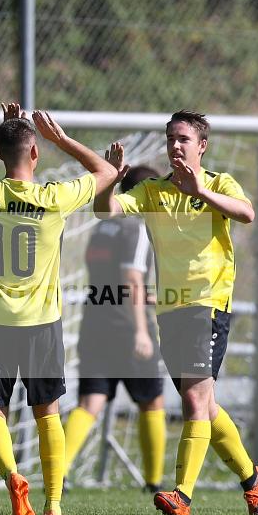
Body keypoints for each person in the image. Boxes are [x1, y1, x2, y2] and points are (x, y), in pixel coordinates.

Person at [94, 111, 258, 515]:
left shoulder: (218, 183)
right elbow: (107, 211)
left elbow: (246, 213)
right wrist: (111, 181)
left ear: (201, 146)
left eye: (184, 139)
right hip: (170, 308)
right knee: (206, 406)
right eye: (171, 138)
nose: (175, 145)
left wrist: (201, 192)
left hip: (207, 306)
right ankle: (252, 479)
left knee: (194, 400)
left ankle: (182, 496)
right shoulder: (154, 191)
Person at [0, 103, 117, 515]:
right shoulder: (54, 198)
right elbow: (106, 173)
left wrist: (2, 130)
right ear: (35, 154)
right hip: (40, 323)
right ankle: (53, 505)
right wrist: (60, 139)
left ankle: (12, 476)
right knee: (47, 412)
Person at [64, 165, 166, 492]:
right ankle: (153, 481)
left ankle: (58, 471)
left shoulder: (103, 226)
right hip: (126, 326)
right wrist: (140, 330)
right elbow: (132, 278)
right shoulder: (135, 227)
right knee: (152, 402)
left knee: (91, 401)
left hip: (95, 321)